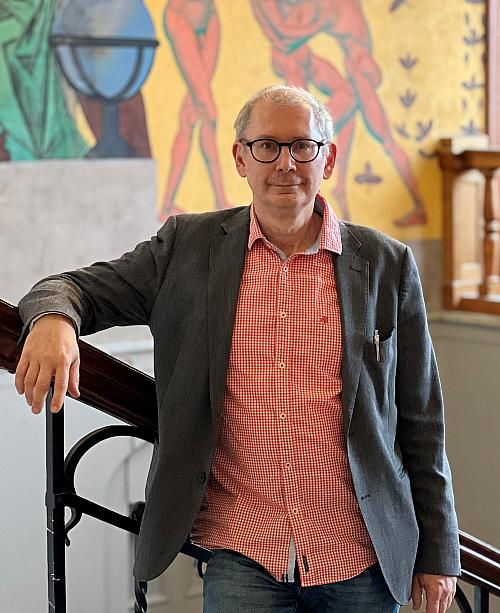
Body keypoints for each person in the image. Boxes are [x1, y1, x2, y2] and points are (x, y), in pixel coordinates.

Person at [15, 85, 460, 613]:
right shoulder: (186, 247)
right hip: (244, 553)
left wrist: (439, 550)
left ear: (328, 159)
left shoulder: (388, 264)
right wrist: (53, 319)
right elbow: (73, 288)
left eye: (303, 146)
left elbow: (422, 420)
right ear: (241, 158)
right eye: (267, 146)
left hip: (361, 555)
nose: (285, 164)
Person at [251, 0, 427, 226]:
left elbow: (287, 37)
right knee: (329, 108)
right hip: (353, 65)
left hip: (359, 67)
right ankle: (341, 188)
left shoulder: (325, 8)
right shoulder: (323, 14)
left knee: (378, 136)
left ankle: (416, 204)